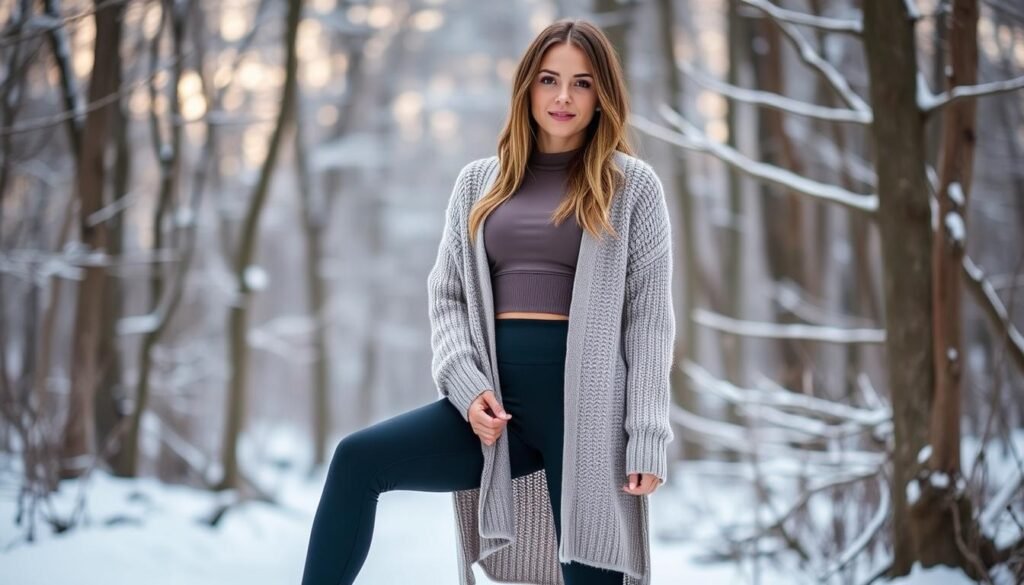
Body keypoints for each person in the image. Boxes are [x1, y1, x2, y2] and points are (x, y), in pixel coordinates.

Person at [301, 17, 674, 585]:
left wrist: (646, 434)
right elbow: (447, 296)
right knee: (358, 459)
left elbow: (649, 321)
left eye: (582, 83)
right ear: (527, 87)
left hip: (591, 420)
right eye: (549, 80)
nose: (563, 97)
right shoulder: (479, 183)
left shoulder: (631, 186)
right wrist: (467, 385)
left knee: (592, 573)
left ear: (603, 95)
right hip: (495, 412)